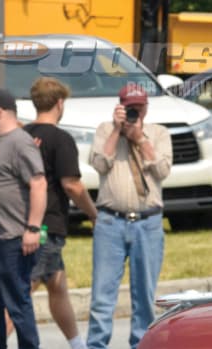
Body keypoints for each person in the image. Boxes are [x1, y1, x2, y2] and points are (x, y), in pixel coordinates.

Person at [6, 77, 97, 349]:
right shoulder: (61, 139)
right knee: (22, 293)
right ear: (60, 103)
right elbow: (72, 185)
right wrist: (93, 214)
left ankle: (77, 344)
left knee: (57, 287)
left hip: (23, 221)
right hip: (45, 227)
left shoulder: (20, 136)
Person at [87, 83, 173, 349]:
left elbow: (162, 170)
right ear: (120, 107)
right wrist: (117, 130)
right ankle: (96, 345)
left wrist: (139, 139)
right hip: (110, 223)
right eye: (129, 108)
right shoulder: (105, 130)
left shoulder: (158, 133)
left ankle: (141, 345)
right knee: (102, 297)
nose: (134, 113)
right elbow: (99, 163)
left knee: (144, 298)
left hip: (148, 224)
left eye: (138, 108)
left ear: (146, 108)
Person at [0, 89, 47, 349]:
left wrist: (33, 228)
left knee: (16, 300)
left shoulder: (19, 142)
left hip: (13, 238)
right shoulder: (0, 143)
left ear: (0, 112)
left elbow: (38, 183)